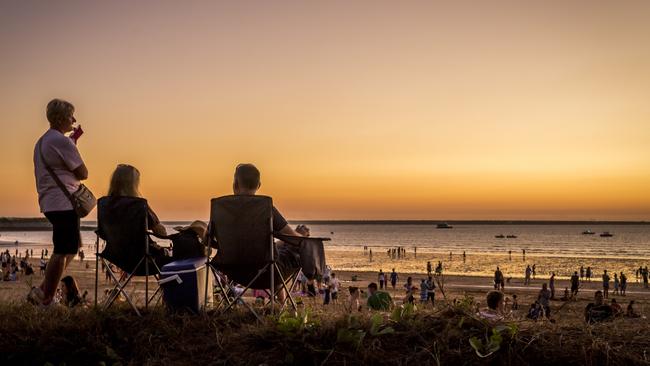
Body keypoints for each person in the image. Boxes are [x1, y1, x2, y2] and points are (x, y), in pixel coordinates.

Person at [29, 99, 89, 306]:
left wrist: (72, 143)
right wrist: (72, 145)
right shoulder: (60, 141)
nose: (74, 120)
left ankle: (43, 290)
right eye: (71, 116)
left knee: (73, 246)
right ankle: (46, 299)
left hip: (51, 201)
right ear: (61, 118)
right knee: (63, 249)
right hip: (63, 202)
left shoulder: (43, 141)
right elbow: (83, 172)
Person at [229, 164, 310, 299]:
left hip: (234, 271)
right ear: (259, 185)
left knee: (273, 255)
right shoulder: (266, 209)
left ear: (235, 184)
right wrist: (302, 236)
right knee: (294, 251)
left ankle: (280, 302)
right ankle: (280, 305)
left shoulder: (223, 210)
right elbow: (293, 238)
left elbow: (211, 239)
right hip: (267, 273)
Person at [104, 164, 173, 268]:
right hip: (142, 259)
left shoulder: (105, 204)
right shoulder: (138, 205)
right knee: (170, 255)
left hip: (115, 257)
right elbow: (161, 233)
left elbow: (102, 233)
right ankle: (166, 284)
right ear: (133, 184)